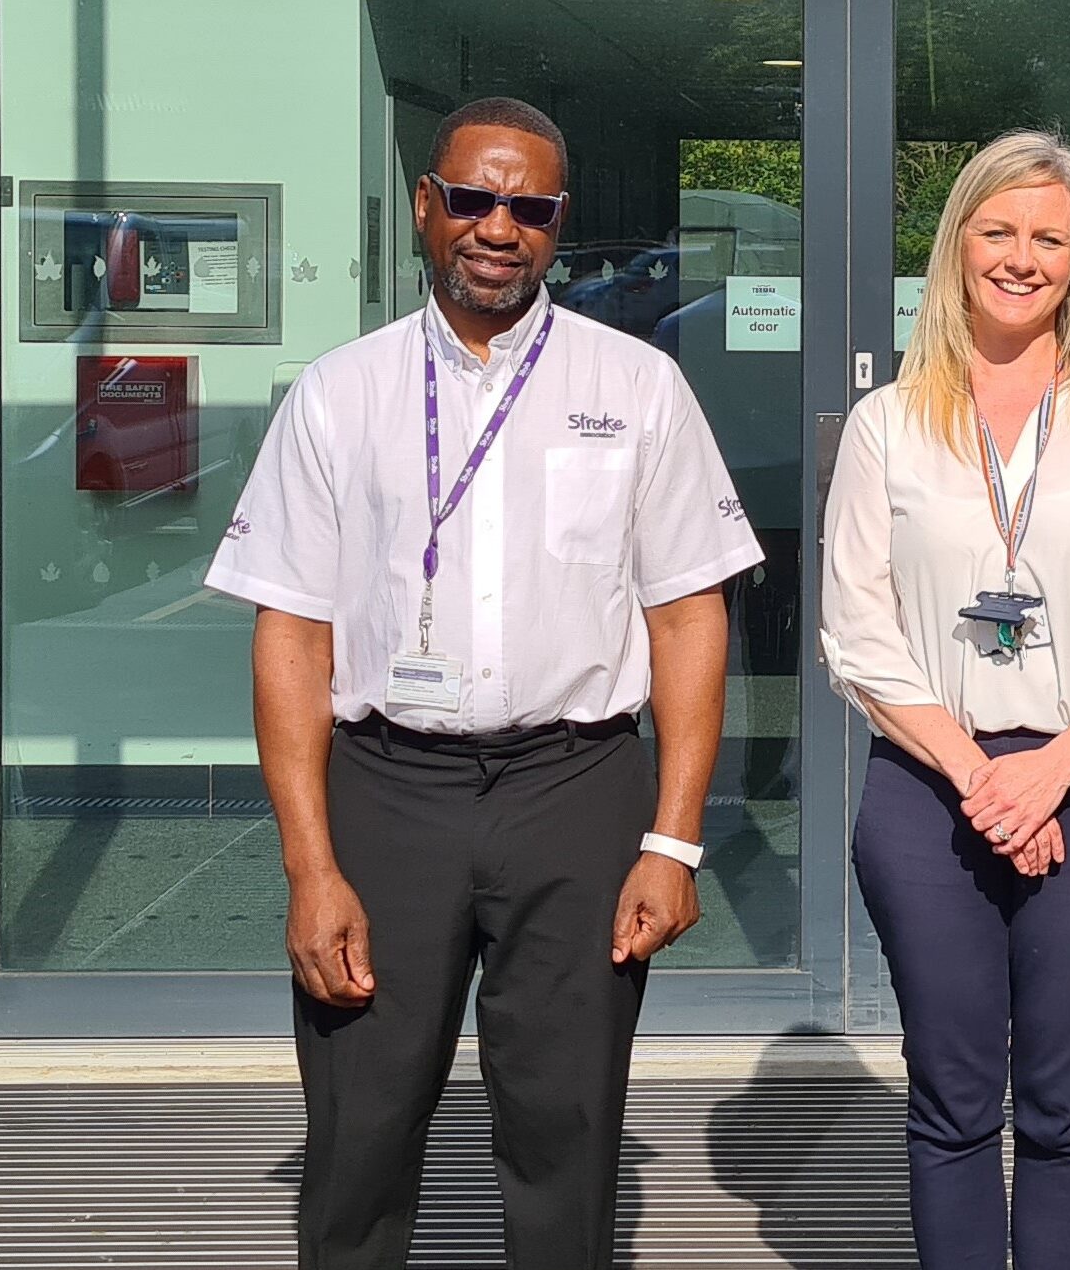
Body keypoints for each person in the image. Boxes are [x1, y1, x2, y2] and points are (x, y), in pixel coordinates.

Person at [206, 96, 762, 1270]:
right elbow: (291, 637)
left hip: (578, 788)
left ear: (559, 224)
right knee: (359, 1130)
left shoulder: (640, 388)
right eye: (473, 198)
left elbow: (688, 617)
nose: (498, 227)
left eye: (530, 207)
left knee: (567, 1134)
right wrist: (310, 867)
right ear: (426, 205)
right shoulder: (339, 395)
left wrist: (674, 843)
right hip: (387, 792)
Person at [820, 129, 1070, 1270]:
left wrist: (1047, 776)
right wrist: (988, 780)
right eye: (999, 231)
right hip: (931, 790)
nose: (1022, 257)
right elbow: (859, 632)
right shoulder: (888, 425)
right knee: (950, 1102)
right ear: (957, 248)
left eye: (1050, 237)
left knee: (1065, 1108)